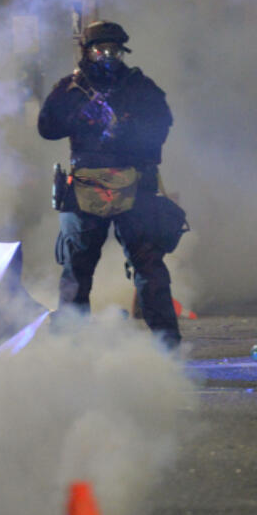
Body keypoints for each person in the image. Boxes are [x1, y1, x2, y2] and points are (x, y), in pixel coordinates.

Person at [37, 20, 181, 348]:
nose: (107, 56)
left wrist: (131, 131)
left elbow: (162, 124)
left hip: (134, 184)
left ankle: (167, 348)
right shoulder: (71, 88)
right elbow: (46, 127)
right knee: (76, 270)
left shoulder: (139, 86)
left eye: (114, 49)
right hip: (86, 184)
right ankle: (70, 348)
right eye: (100, 49)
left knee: (149, 265)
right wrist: (80, 116)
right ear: (87, 51)